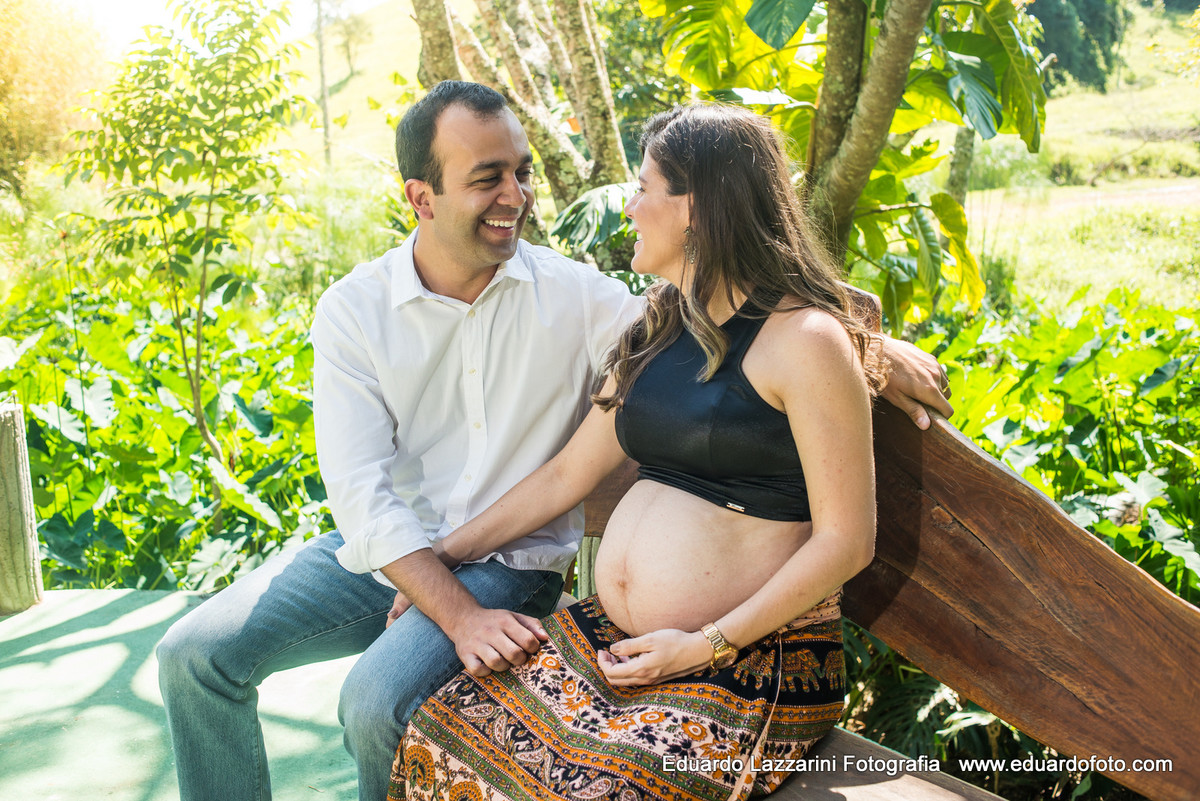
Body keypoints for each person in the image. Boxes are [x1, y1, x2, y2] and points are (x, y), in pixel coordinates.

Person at [156, 82, 950, 801]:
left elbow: (752, 300)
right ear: (420, 197)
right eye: (488, 178)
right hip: (403, 555)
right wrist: (445, 589)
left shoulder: (581, 298)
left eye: (521, 171)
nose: (519, 195)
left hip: (558, 590)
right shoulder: (358, 310)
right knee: (194, 656)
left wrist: (863, 338)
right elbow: (370, 499)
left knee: (381, 705)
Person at [390, 103, 889, 801]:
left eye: (645, 189)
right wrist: (443, 558)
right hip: (617, 642)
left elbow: (847, 540)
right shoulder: (660, 323)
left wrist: (709, 640)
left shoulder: (804, 341)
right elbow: (568, 472)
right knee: (440, 734)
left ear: (697, 209)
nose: (629, 208)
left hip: (746, 659)